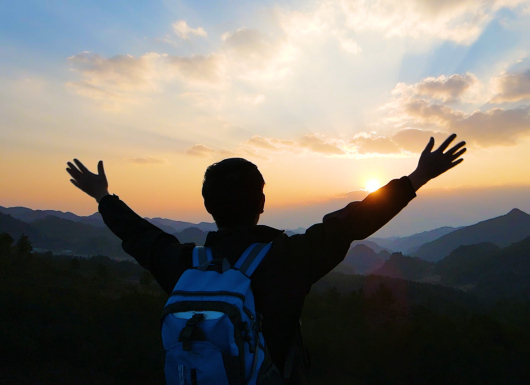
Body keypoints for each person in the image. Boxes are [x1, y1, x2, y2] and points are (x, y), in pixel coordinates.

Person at [66, 134, 466, 384]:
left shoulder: (186, 264)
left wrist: (104, 197)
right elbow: (351, 221)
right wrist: (416, 179)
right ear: (261, 202)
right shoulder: (288, 259)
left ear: (207, 205)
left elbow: (142, 237)